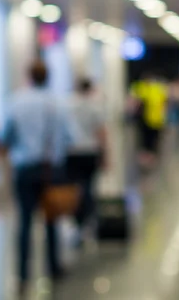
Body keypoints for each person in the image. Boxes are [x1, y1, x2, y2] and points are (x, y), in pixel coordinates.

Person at [1, 61, 69, 295]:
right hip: (50, 169)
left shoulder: (16, 101)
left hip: (25, 168)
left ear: (29, 76)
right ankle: (53, 266)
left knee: (25, 222)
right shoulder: (56, 104)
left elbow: (6, 135)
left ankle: (22, 275)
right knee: (51, 219)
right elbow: (66, 137)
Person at [65, 78, 108, 242]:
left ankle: (77, 221)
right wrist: (105, 155)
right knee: (89, 186)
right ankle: (88, 220)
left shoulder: (68, 106)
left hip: (72, 152)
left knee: (75, 188)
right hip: (90, 151)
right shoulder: (94, 107)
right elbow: (102, 132)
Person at [130, 73, 168, 168]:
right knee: (147, 139)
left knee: (151, 139)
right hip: (147, 120)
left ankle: (150, 157)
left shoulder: (156, 89)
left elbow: (163, 104)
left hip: (155, 120)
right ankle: (147, 157)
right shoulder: (145, 89)